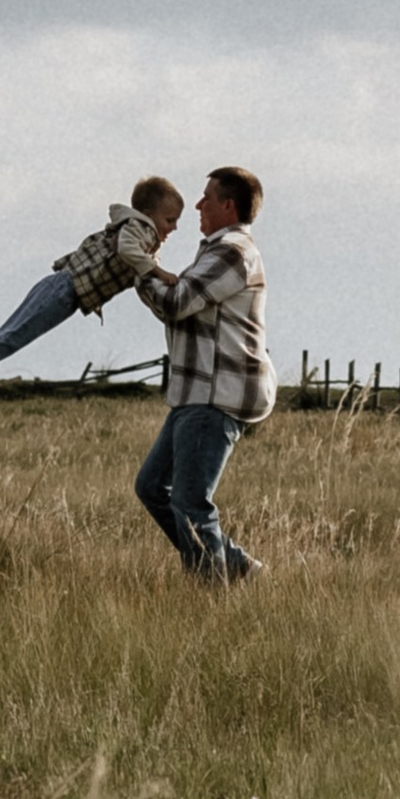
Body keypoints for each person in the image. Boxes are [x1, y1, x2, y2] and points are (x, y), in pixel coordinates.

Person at [132, 167, 275, 583]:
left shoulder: (233, 251)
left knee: (191, 502)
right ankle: (237, 568)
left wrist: (139, 268)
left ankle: (211, 593)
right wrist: (148, 271)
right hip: (195, 391)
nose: (197, 205)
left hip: (216, 393)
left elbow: (178, 301)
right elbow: (180, 301)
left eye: (206, 198)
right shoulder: (216, 250)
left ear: (228, 206)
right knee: (151, 487)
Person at [0, 178, 185, 412]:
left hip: (63, 290)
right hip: (64, 289)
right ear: (150, 215)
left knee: (14, 335)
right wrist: (161, 273)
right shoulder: (141, 228)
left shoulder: (142, 236)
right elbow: (128, 250)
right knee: (13, 335)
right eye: (170, 220)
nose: (174, 227)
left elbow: (140, 270)